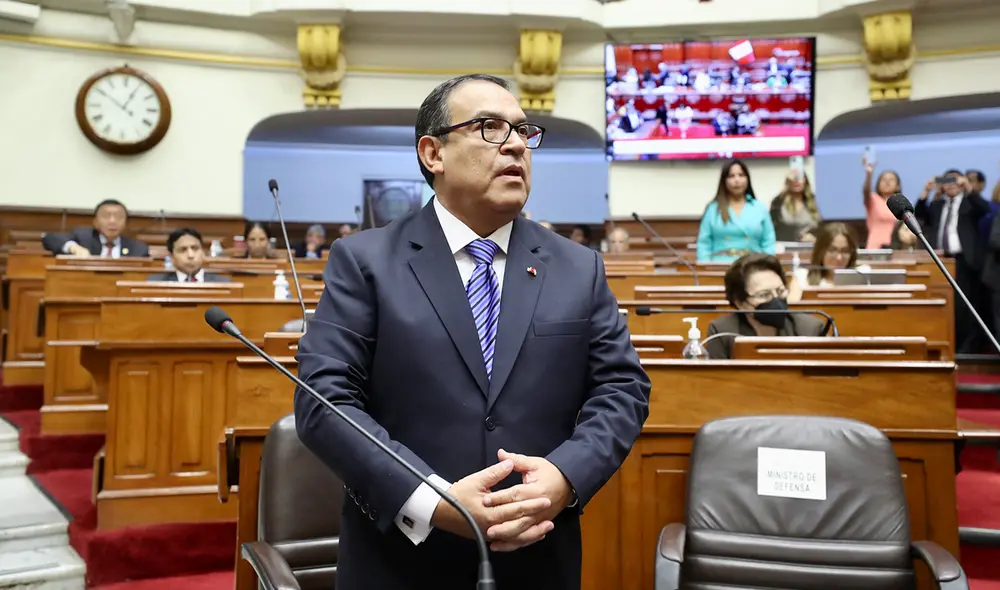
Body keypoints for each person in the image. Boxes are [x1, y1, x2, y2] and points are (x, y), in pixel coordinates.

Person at [293, 74, 651, 590]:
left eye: (523, 131)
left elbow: (623, 388)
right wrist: (432, 499)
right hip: (402, 561)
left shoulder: (578, 268)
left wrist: (565, 476)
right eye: (489, 127)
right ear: (432, 153)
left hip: (537, 558)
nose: (514, 144)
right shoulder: (365, 262)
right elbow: (323, 401)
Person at [914, 170, 992, 354]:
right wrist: (925, 192)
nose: (951, 185)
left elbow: (985, 209)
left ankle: (965, 347)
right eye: (947, 181)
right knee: (944, 303)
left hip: (964, 261)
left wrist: (969, 188)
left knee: (965, 305)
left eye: (955, 181)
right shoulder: (937, 205)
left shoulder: (969, 203)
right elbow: (919, 215)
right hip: (940, 260)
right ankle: (948, 342)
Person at [705, 253, 828, 360]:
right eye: (764, 295)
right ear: (740, 303)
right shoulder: (722, 332)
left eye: (780, 291)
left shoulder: (810, 329)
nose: (775, 300)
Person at [696, 159, 776, 262]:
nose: (737, 180)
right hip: (719, 265)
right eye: (731, 176)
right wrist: (705, 267)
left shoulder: (759, 208)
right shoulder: (713, 209)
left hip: (753, 266)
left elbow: (768, 242)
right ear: (724, 180)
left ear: (747, 179)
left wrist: (766, 266)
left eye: (741, 175)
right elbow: (704, 243)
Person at [41, 199, 149, 258]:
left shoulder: (138, 249)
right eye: (106, 216)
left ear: (126, 223)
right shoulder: (83, 238)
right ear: (96, 222)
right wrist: (74, 248)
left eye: (119, 217)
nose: (112, 221)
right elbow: (50, 238)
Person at [146, 228, 230, 282]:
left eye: (195, 248)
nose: (190, 255)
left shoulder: (223, 283)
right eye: (183, 250)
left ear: (203, 253)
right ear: (172, 257)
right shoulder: (156, 283)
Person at [861, 157, 902, 248]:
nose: (887, 182)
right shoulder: (873, 199)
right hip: (876, 246)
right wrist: (869, 173)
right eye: (883, 180)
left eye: (891, 180)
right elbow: (866, 190)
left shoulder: (901, 203)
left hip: (896, 246)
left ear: (898, 186)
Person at [769, 171, 821, 242]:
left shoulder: (816, 201)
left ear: (805, 181)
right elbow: (771, 228)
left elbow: (825, 228)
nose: (796, 181)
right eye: (793, 178)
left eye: (799, 178)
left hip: (811, 247)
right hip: (785, 247)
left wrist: (815, 237)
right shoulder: (778, 202)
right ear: (787, 182)